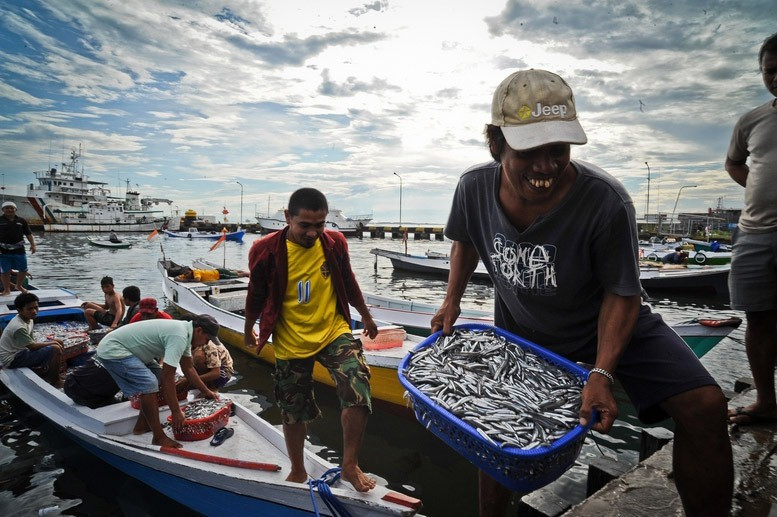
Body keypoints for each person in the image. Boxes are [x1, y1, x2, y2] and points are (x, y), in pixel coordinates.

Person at [431, 69, 732, 516]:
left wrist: (602, 374)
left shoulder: (606, 200)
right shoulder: (473, 186)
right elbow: (466, 241)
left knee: (705, 408)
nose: (546, 166)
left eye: (558, 150)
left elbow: (623, 293)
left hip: (605, 326)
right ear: (496, 144)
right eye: (530, 150)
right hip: (523, 332)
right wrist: (451, 300)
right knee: (496, 437)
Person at [243, 187, 379, 492]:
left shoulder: (334, 242)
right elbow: (257, 294)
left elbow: (348, 281)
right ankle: (298, 470)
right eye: (305, 225)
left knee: (358, 383)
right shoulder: (265, 250)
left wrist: (366, 316)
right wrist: (249, 328)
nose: (313, 233)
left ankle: (350, 464)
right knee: (293, 408)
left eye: (320, 225)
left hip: (333, 331)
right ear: (288, 217)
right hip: (291, 339)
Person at [725, 32, 777, 426]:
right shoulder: (752, 120)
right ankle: (766, 401)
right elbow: (735, 164)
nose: (775, 78)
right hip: (754, 233)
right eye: (769, 71)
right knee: (758, 318)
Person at [95, 314, 220, 448]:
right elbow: (168, 377)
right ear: (199, 330)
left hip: (133, 351)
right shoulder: (179, 336)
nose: (206, 343)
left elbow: (188, 369)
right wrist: (176, 411)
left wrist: (206, 391)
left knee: (157, 379)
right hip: (113, 349)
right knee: (149, 383)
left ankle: (142, 425)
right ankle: (158, 437)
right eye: (207, 339)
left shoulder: (186, 333)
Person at [0, 292, 64, 387]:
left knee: (59, 342)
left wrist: (53, 343)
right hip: (12, 359)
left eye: (36, 307)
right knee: (55, 348)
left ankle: (51, 370)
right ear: (20, 310)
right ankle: (55, 381)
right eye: (30, 309)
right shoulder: (18, 327)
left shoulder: (29, 319)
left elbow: (31, 341)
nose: (34, 311)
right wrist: (52, 343)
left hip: (21, 351)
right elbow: (33, 346)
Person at [0, 201, 36, 296]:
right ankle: (6, 290)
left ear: (15, 209)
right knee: (5, 271)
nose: (9, 210)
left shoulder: (21, 221)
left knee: (23, 269)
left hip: (19, 250)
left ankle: (19, 286)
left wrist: (33, 245)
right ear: (3, 210)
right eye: (7, 208)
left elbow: (28, 233)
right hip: (3, 250)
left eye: (12, 208)